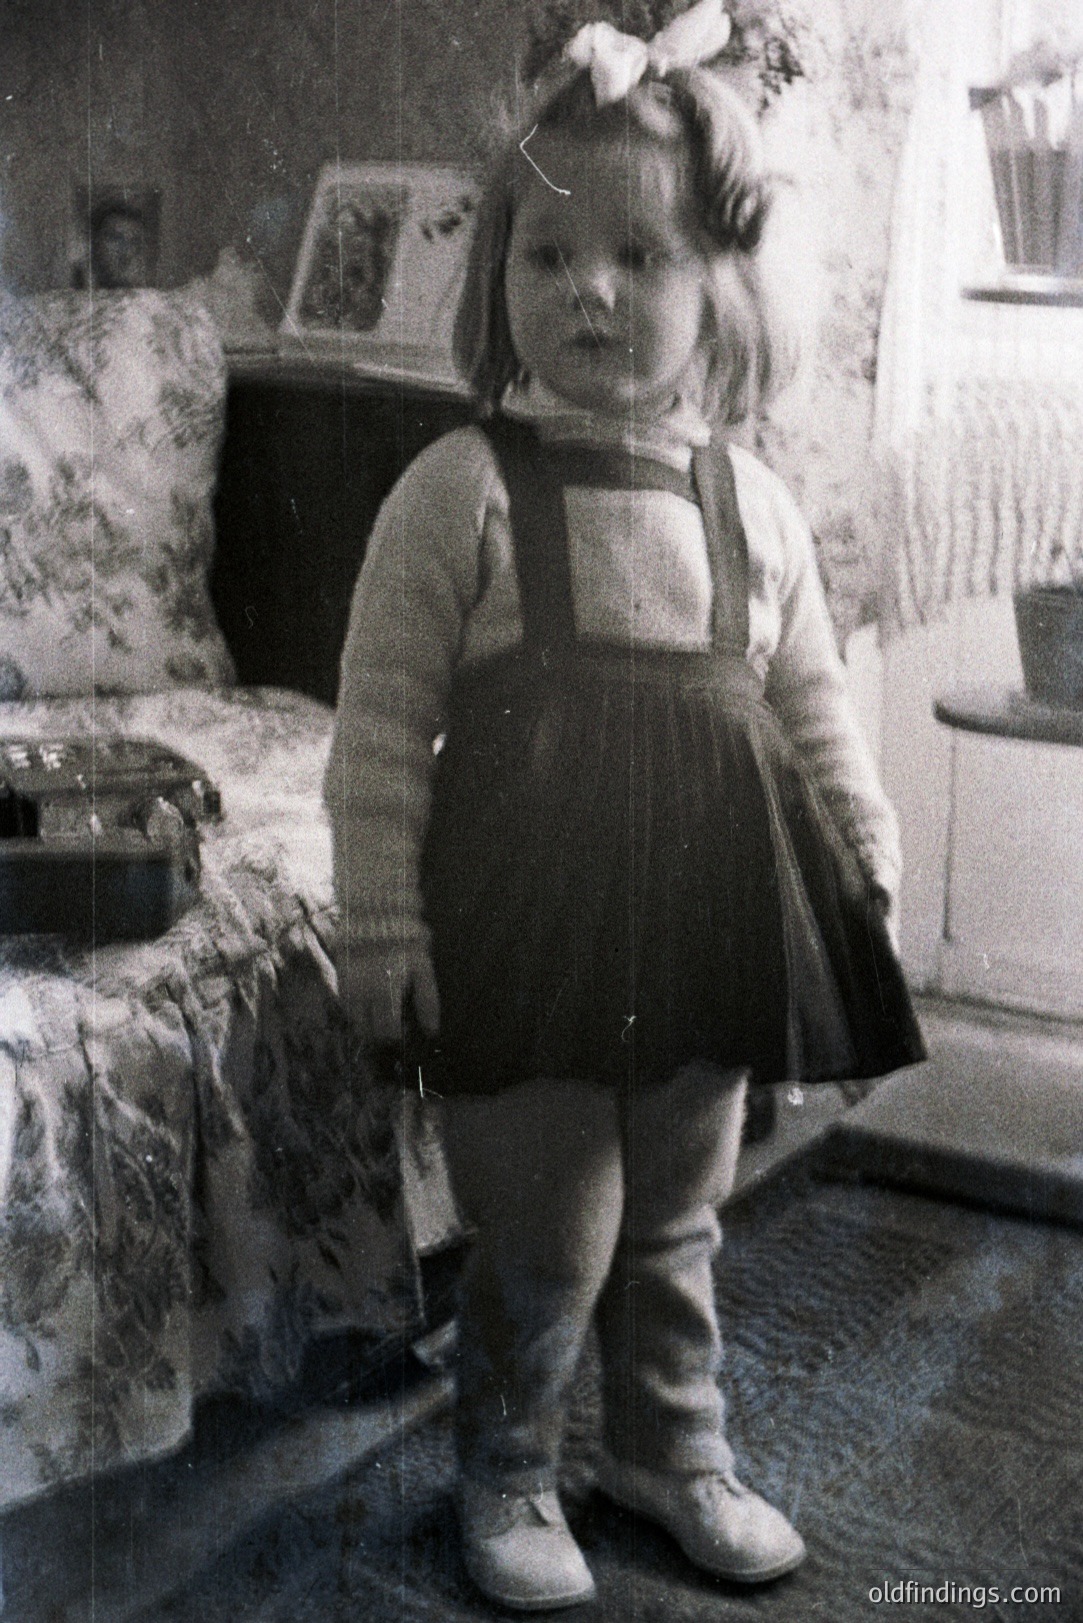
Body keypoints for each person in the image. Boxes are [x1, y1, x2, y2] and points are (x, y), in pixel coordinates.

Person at [324, 0, 925, 1609]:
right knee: (556, 1233)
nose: (586, 291)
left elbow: (809, 707)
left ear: (718, 290)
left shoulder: (758, 507)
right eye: (546, 256)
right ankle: (508, 1469)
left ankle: (670, 1449)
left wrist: (861, 850)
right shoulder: (458, 495)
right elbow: (376, 734)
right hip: (522, 932)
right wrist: (379, 920)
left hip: (709, 918)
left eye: (639, 263)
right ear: (497, 273)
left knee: (678, 1218)